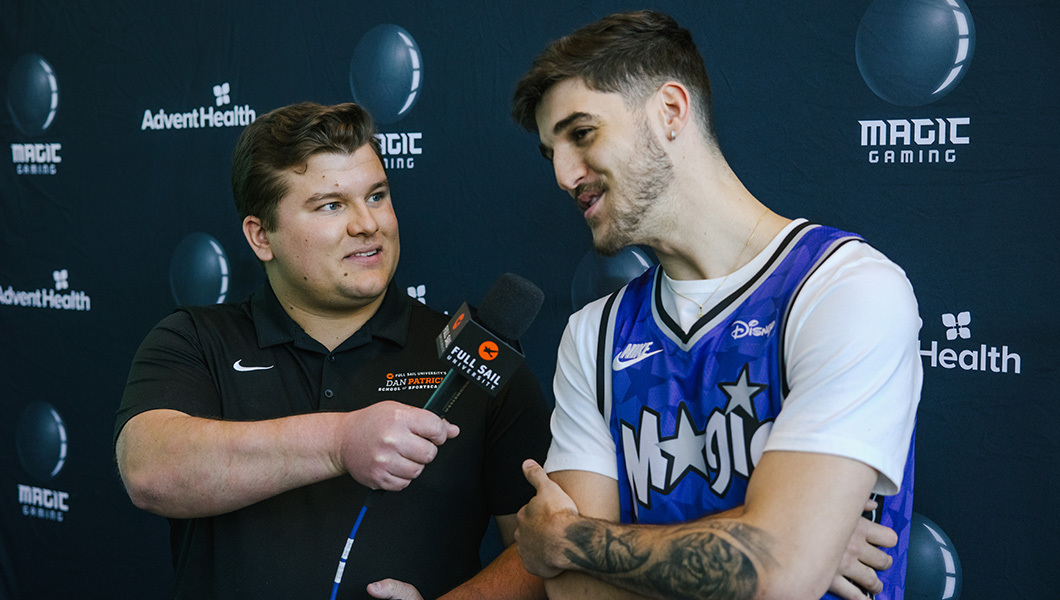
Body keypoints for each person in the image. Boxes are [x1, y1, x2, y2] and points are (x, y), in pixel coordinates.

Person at [510, 11, 921, 600]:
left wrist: (571, 538)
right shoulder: (593, 335)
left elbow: (778, 573)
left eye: (582, 133)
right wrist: (765, 545)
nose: (563, 174)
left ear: (670, 111)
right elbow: (577, 594)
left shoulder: (843, 287)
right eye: (550, 151)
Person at [114, 102, 550, 600]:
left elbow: (546, 546)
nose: (368, 224)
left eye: (377, 196)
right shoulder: (196, 339)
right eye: (331, 205)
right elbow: (149, 471)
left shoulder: (474, 360)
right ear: (261, 237)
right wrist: (340, 441)